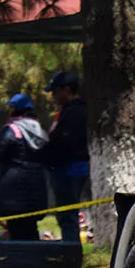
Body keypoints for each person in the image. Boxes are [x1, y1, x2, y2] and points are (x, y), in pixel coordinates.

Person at [0, 93, 50, 240]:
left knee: (16, 228)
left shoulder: (11, 129)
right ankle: (34, 252)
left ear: (15, 110)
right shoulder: (40, 130)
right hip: (37, 182)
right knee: (31, 226)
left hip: (14, 186)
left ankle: (20, 254)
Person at [43, 70, 90, 242]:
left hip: (70, 169)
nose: (53, 96)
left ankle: (70, 251)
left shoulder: (76, 112)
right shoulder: (66, 111)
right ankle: (69, 247)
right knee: (65, 215)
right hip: (64, 169)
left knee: (68, 215)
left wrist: (48, 154)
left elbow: (66, 141)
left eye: (55, 91)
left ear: (67, 90)